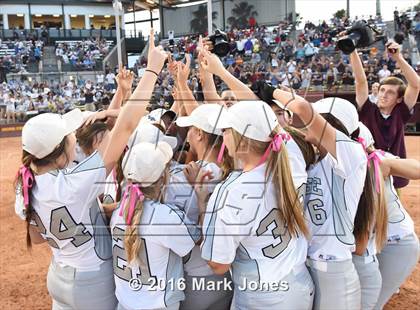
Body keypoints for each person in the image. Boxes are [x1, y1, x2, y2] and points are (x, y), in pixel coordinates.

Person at [13, 29, 168, 310]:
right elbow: (126, 127)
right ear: (60, 153)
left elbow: (36, 237)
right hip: (92, 284)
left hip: (59, 275)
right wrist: (152, 70)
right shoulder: (73, 184)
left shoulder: (26, 180)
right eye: (69, 138)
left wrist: (119, 97)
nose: (75, 139)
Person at [199, 101, 314, 310]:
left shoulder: (231, 191)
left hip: (263, 295)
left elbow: (218, 264)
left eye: (226, 130)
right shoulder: (292, 159)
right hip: (300, 283)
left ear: (240, 140)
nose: (222, 136)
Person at [272, 92, 368, 310]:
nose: (306, 126)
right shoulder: (313, 162)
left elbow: (304, 109)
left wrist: (272, 90)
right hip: (307, 267)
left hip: (334, 273)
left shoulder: (352, 155)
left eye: (315, 121)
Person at [110, 141, 200, 310]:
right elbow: (199, 239)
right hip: (158, 305)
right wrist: (200, 193)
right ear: (163, 177)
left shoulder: (119, 212)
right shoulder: (165, 216)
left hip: (124, 303)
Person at [357, 123, 420, 309]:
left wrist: (388, 163)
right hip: (371, 244)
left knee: (371, 303)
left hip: (396, 244)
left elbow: (416, 169)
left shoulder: (377, 159)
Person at [351, 43, 420, 190]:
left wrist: (398, 58)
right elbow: (361, 82)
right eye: (382, 90)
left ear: (399, 99)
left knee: (392, 211)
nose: (383, 95)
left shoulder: (400, 112)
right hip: (367, 176)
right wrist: (352, 51)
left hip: (394, 178)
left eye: (390, 92)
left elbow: (415, 85)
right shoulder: (368, 109)